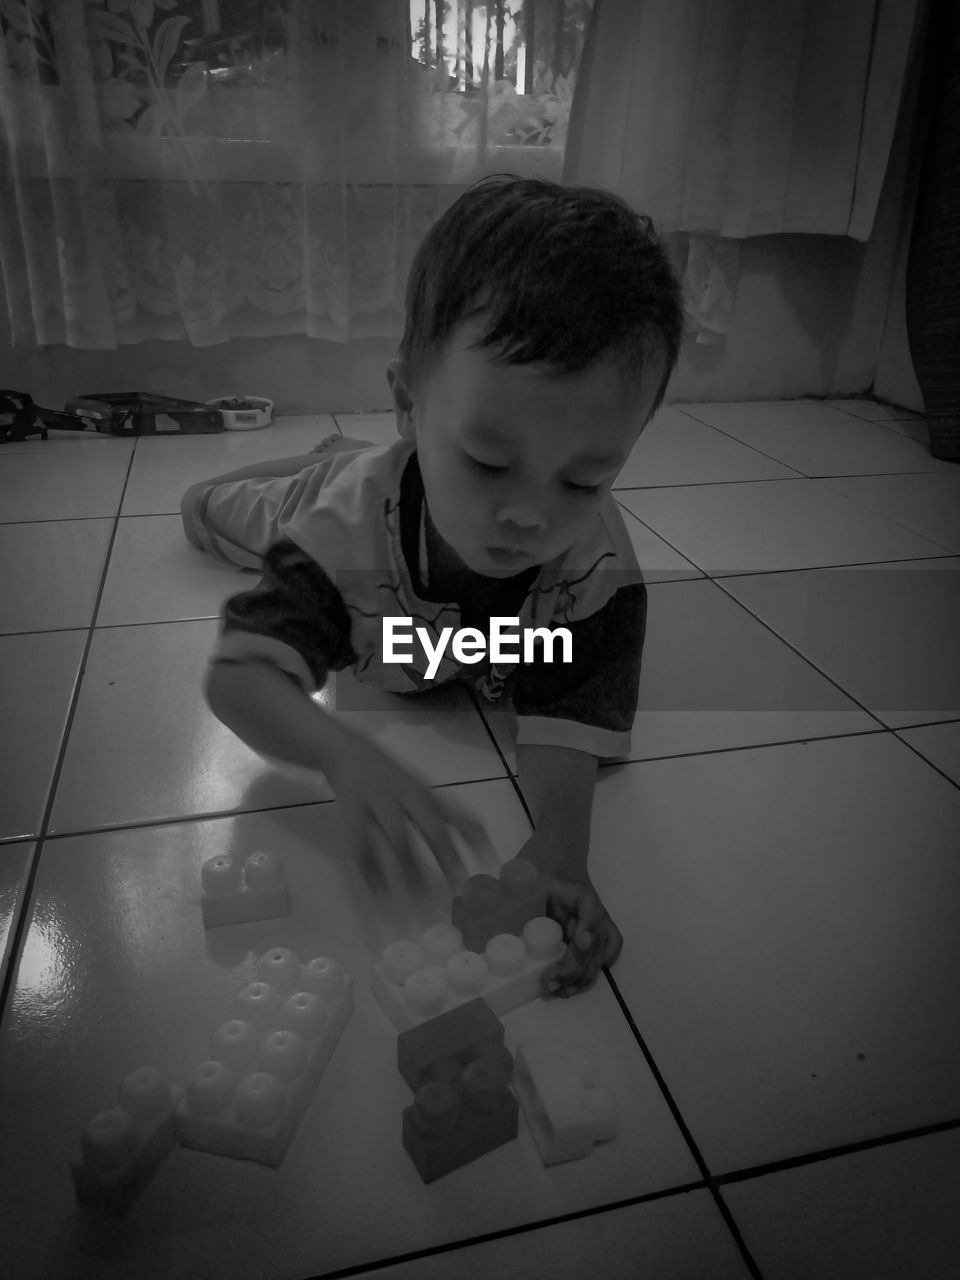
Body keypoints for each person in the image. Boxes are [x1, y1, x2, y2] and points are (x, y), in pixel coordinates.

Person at [181, 173, 684, 996]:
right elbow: (237, 677)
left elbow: (573, 708)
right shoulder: (338, 536)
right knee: (206, 510)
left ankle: (359, 454)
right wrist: (339, 755)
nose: (529, 516)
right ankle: (315, 462)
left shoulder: (593, 563)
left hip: (404, 485)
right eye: (490, 461)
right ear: (408, 398)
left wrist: (561, 845)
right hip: (333, 497)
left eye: (585, 479)